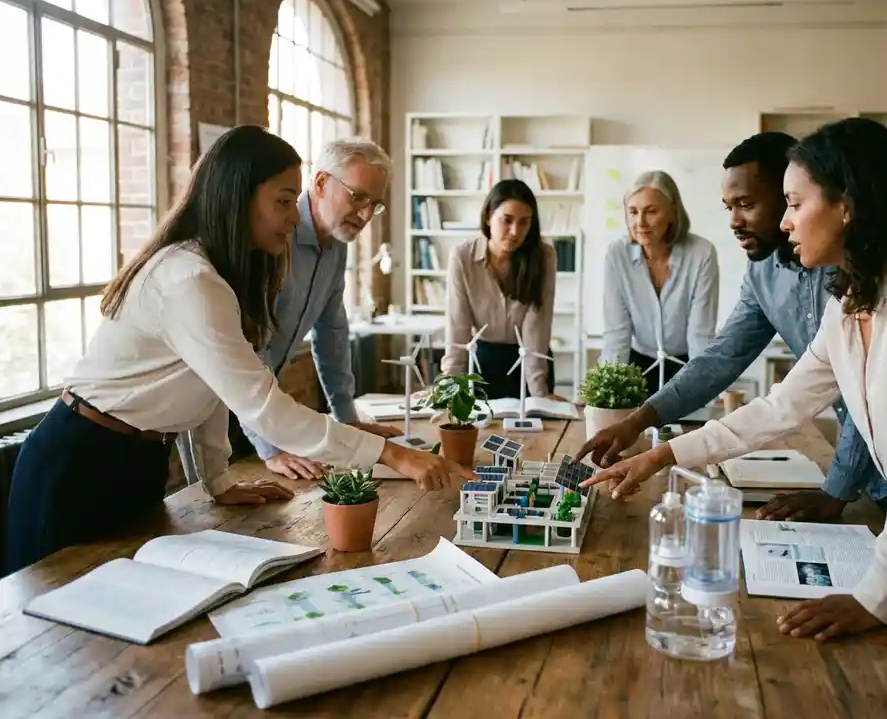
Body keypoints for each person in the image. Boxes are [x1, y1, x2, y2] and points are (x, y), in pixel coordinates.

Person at [581, 117, 887, 679]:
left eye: (794, 203)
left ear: (847, 205)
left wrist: (876, 598)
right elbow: (781, 405)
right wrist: (662, 454)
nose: (785, 221)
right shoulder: (854, 297)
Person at [5, 126, 475, 575]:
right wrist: (394, 455)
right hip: (80, 465)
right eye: (284, 202)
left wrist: (218, 480)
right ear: (238, 197)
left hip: (135, 465)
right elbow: (265, 408)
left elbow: (211, 388)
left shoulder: (220, 276)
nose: (295, 218)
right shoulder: (189, 278)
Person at [577, 132, 887, 519]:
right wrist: (640, 419)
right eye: (728, 207)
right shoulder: (761, 272)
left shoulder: (857, 274)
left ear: (792, 195)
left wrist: (835, 492)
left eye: (746, 204)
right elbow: (722, 358)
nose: (734, 222)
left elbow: (865, 393)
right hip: (873, 476)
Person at [238, 138, 403, 481]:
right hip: (229, 403)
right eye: (358, 197)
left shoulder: (336, 245)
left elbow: (331, 333)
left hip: (264, 408)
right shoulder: (273, 235)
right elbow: (251, 348)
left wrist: (348, 420)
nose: (367, 214)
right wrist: (271, 446)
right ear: (321, 183)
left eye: (375, 204)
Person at [601, 170, 719, 397]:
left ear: (673, 212)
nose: (640, 222)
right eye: (633, 212)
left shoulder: (701, 253)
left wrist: (705, 388)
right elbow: (617, 334)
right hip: (635, 367)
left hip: (686, 366)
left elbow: (700, 333)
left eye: (651, 211)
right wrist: (607, 391)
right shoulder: (617, 254)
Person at [441, 179, 557, 399]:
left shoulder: (543, 257)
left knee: (536, 429)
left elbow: (537, 329)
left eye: (524, 222)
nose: (515, 232)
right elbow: (458, 328)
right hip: (482, 362)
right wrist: (448, 389)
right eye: (507, 220)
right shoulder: (463, 257)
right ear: (488, 217)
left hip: (529, 362)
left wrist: (540, 396)